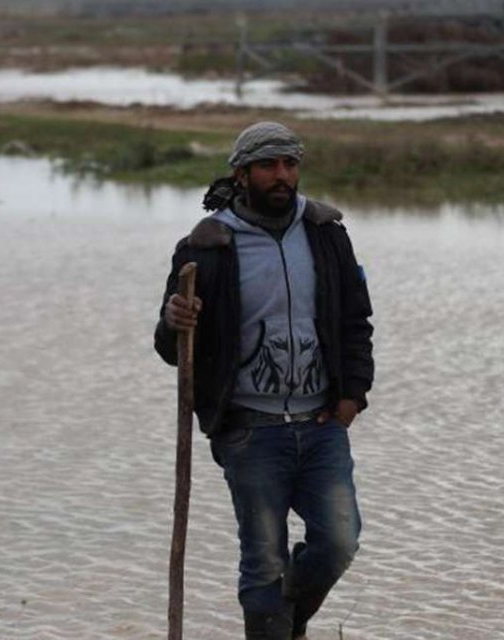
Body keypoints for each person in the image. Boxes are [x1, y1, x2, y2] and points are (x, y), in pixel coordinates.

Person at [153, 122, 375, 640]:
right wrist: (174, 320)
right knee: (263, 558)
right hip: (249, 430)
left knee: (339, 540)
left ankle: (282, 624)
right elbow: (171, 350)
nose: (282, 176)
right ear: (243, 173)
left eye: (290, 164)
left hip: (321, 423)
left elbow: (355, 322)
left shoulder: (326, 234)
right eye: (269, 166)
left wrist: (352, 397)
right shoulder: (206, 247)